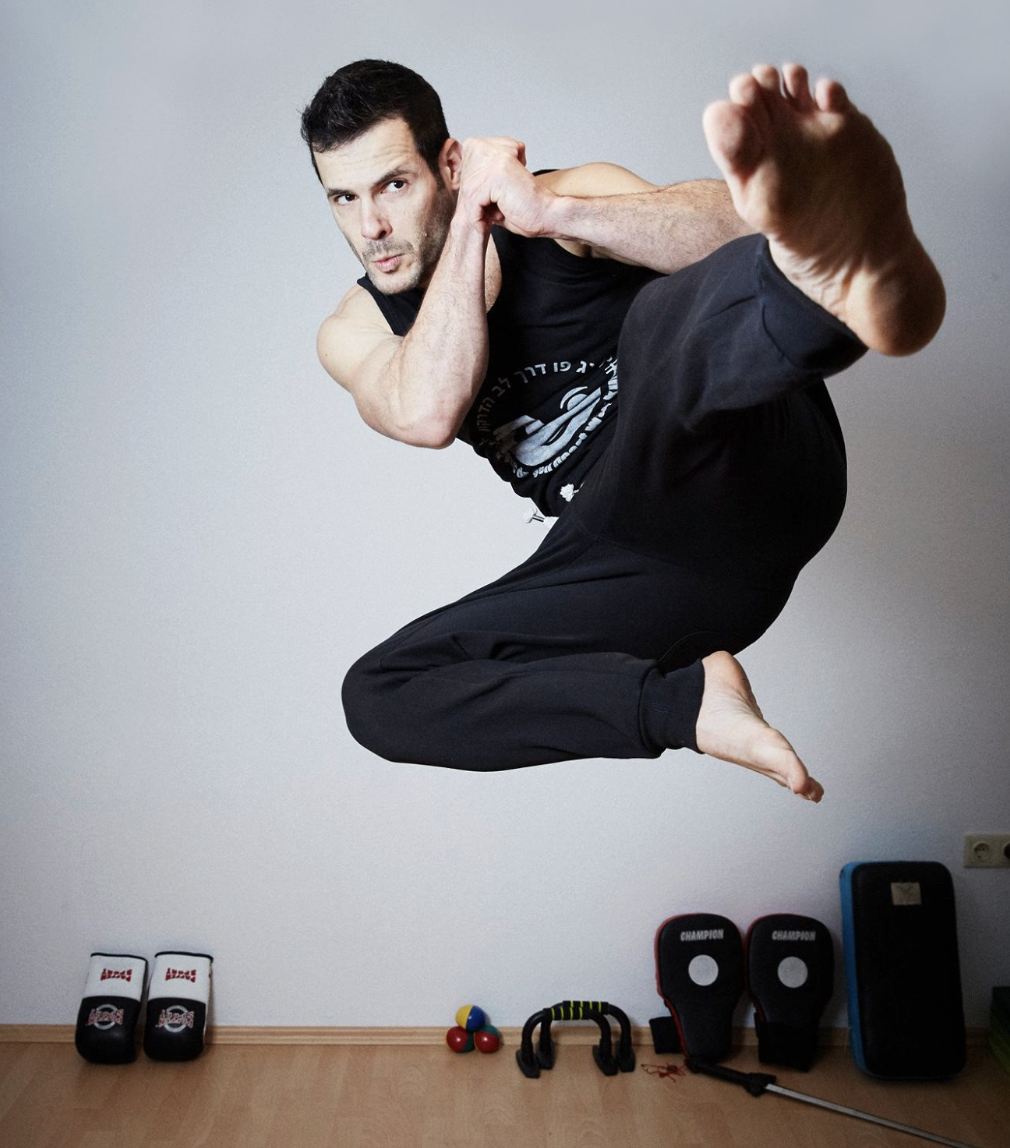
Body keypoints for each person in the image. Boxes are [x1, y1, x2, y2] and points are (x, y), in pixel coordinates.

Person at [300, 59, 945, 801]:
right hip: (644, 566)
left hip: (757, 463)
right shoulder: (352, 330)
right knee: (381, 693)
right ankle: (688, 703)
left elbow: (740, 231)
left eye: (394, 185)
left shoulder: (560, 199)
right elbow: (426, 410)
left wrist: (554, 214)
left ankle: (850, 289)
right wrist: (473, 228)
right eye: (343, 198)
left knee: (655, 321)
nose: (370, 225)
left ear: (449, 162)